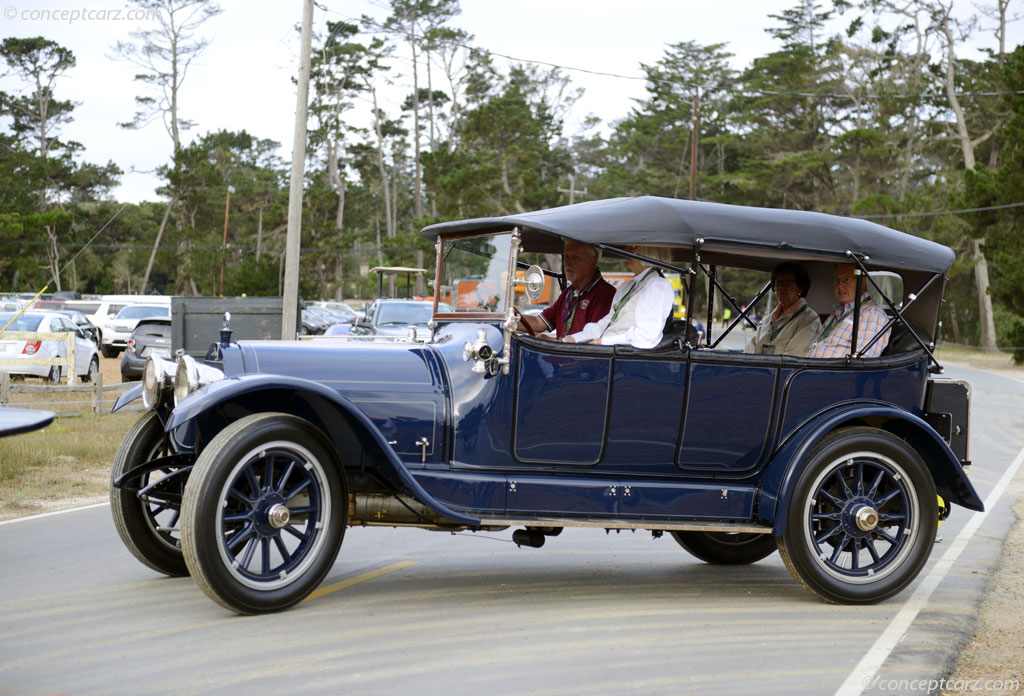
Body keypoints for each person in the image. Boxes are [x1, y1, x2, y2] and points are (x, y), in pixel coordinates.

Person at [563, 245, 675, 348]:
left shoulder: (657, 285)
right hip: (610, 352)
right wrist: (574, 338)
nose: (627, 251)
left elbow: (646, 336)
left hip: (625, 360)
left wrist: (603, 342)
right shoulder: (628, 286)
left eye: (634, 247)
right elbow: (608, 321)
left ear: (650, 252)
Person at [517, 239, 615, 339]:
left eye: (575, 257)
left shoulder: (606, 295)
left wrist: (552, 341)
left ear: (593, 261)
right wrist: (509, 318)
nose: (568, 263)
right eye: (566, 257)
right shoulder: (569, 293)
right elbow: (538, 323)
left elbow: (593, 338)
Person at [807, 262, 890, 358]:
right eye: (836, 280)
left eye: (846, 279)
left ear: (862, 282)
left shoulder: (873, 314)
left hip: (832, 372)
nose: (840, 285)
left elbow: (861, 360)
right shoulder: (838, 311)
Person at [746, 262, 821, 356]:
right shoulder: (770, 318)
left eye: (788, 283)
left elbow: (794, 357)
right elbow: (751, 347)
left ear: (800, 287)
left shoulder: (810, 320)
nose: (781, 287)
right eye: (778, 282)